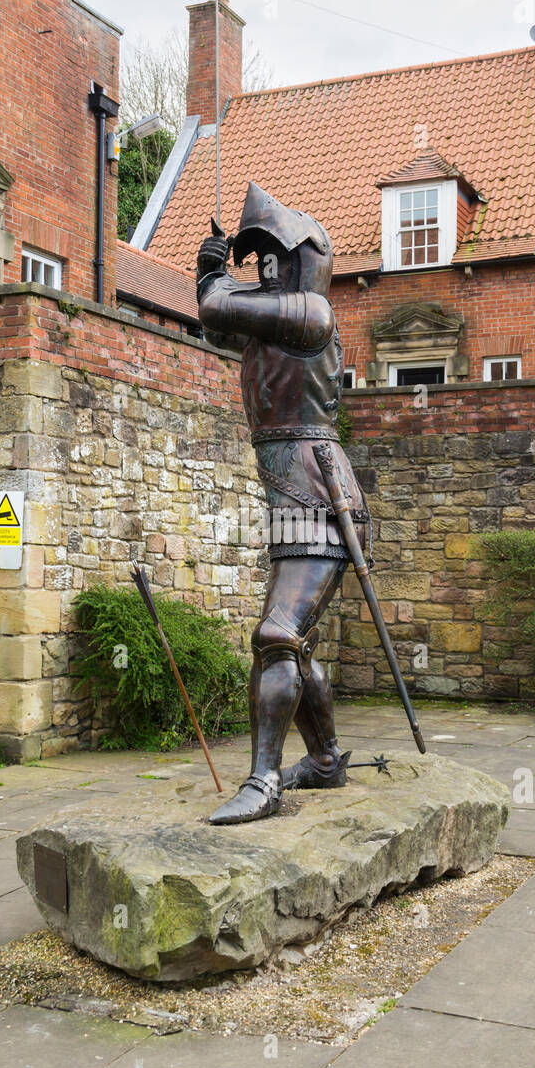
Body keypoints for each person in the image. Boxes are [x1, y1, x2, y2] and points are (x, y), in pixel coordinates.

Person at [196, 182, 369, 825]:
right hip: (290, 498)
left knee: (276, 636)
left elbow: (215, 305)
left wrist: (212, 271)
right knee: (295, 647)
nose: (264, 267)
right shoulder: (271, 322)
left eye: (273, 255)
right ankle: (324, 761)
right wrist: (212, 274)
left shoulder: (311, 314)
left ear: (303, 261)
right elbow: (214, 319)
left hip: (319, 500)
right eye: (256, 257)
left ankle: (264, 780)